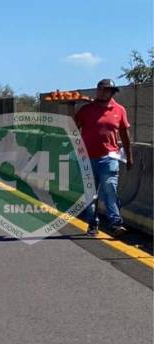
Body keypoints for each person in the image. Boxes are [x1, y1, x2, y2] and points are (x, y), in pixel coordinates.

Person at [75, 79, 134, 237]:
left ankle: (116, 223)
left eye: (106, 90)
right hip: (87, 159)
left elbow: (125, 134)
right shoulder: (86, 110)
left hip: (109, 158)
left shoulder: (119, 110)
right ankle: (92, 224)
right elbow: (73, 128)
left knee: (110, 190)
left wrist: (129, 156)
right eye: (100, 89)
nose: (102, 92)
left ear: (112, 92)